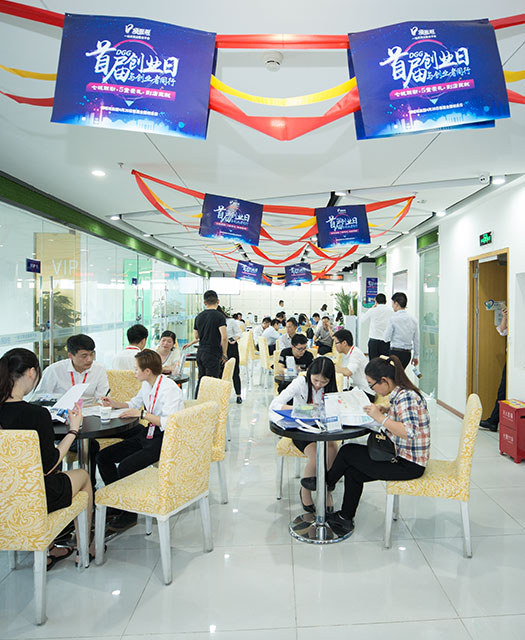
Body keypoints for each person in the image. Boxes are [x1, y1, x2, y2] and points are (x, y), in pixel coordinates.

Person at [0, 348, 94, 567]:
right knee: (84, 476)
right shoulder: (36, 414)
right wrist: (73, 430)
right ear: (31, 372)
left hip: (4, 495)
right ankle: (84, 548)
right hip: (36, 497)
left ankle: (50, 547)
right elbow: (49, 465)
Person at [317, 355, 429, 536]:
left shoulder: (406, 397)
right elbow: (403, 418)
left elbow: (409, 432)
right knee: (353, 471)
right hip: (400, 455)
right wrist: (387, 411)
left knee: (347, 452)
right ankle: (345, 517)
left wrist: (380, 418)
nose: (372, 389)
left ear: (384, 380)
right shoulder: (401, 393)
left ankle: (325, 485)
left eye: (372, 385)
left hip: (408, 464)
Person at [97, 349, 184, 531]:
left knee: (125, 467)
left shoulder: (169, 389)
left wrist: (143, 414)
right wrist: (115, 404)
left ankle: (129, 515)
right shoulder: (147, 384)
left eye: (136, 369)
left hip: (165, 439)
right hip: (149, 433)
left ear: (147, 371)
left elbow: (170, 423)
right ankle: (117, 504)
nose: (134, 372)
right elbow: (134, 403)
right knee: (103, 457)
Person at [270, 357, 339, 513]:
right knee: (316, 457)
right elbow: (275, 404)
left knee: (333, 451)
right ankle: (305, 491)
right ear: (309, 374)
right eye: (315, 380)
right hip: (301, 430)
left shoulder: (331, 388)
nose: (318, 385)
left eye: (323, 382)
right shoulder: (300, 383)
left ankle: (326, 490)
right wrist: (300, 410)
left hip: (322, 429)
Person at [35, 334, 109, 404]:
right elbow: (39, 397)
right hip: (62, 410)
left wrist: (103, 403)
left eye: (92, 354)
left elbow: (103, 397)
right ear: (70, 356)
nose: (89, 359)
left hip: (89, 409)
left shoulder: (99, 368)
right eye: (84, 356)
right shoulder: (54, 370)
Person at [184, 289, 228, 397]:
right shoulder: (219, 316)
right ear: (218, 301)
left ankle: (198, 402)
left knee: (201, 380)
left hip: (200, 352)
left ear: (205, 302)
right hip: (213, 353)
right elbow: (224, 337)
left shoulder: (199, 316)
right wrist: (224, 354)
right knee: (212, 382)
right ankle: (210, 404)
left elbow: (196, 336)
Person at [480, 307, 508, 431]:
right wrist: (505, 316)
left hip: (514, 362)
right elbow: (502, 331)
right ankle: (494, 421)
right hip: (509, 361)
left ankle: (494, 421)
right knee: (502, 391)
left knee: (502, 391)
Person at [333, 329, 374, 400]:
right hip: (357, 388)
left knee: (340, 399)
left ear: (344, 343)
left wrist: (333, 367)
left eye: (336, 343)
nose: (335, 346)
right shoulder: (350, 352)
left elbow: (348, 372)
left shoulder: (355, 353)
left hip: (366, 392)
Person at [384, 292, 419, 370]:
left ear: (396, 304)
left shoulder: (393, 319)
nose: (392, 306)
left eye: (393, 303)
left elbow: (386, 338)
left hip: (395, 353)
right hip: (407, 354)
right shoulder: (413, 319)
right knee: (401, 374)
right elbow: (416, 340)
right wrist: (415, 356)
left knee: (393, 375)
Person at [220, 306, 243, 404]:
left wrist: (233, 339)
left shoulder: (231, 321)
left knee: (235, 371)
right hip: (219, 347)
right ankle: (221, 395)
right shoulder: (214, 321)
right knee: (220, 371)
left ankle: (238, 395)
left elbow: (239, 333)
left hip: (231, 346)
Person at [361, 293, 394, 360]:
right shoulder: (391, 311)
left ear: (375, 301)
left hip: (374, 341)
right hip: (386, 342)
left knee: (374, 363)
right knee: (385, 362)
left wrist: (371, 308)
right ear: (385, 301)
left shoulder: (372, 310)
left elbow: (362, 319)